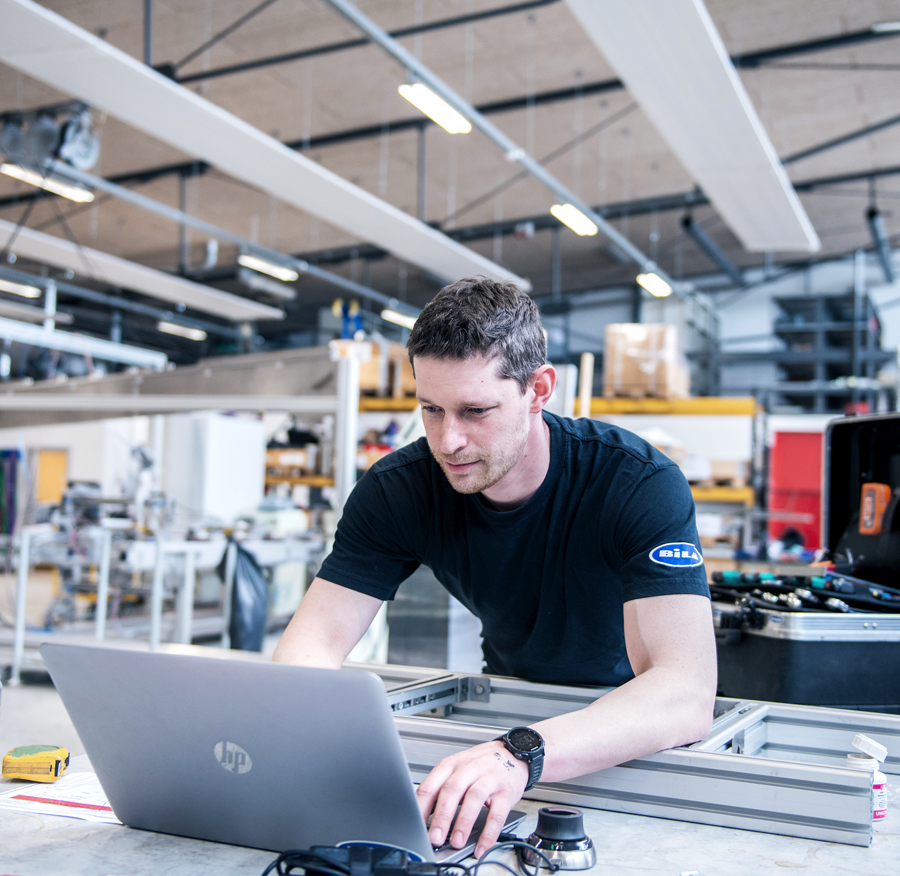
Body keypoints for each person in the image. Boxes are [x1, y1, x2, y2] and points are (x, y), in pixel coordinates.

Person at [273, 276, 717, 857]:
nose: (448, 440)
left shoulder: (637, 484)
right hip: (508, 710)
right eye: (430, 409)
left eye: (475, 410)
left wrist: (521, 754)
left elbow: (684, 692)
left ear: (539, 389)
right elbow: (308, 651)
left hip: (632, 731)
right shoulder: (399, 492)